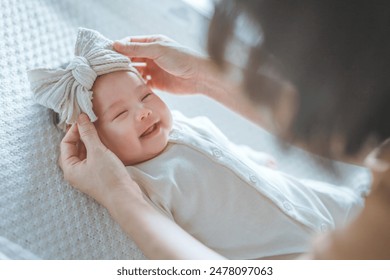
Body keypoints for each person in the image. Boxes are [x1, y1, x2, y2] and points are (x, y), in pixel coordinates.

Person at [59, 1, 390, 259]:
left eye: (145, 95)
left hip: (337, 207)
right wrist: (205, 77)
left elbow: (224, 150)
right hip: (291, 252)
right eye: (119, 115)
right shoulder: (144, 182)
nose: (144, 111)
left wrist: (119, 197)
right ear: (97, 141)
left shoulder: (187, 127)